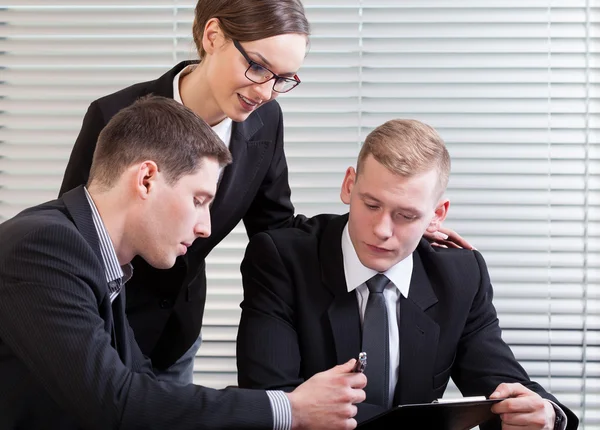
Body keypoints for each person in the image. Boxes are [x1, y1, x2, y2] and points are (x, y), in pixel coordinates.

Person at [58, 0, 470, 384]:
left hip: (175, 334)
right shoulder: (114, 116)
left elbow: (276, 228)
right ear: (213, 36)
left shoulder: (264, 122)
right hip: (103, 328)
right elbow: (77, 243)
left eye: (283, 79)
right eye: (257, 66)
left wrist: (394, 224)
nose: (265, 91)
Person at [0, 96, 367, 430]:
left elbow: (145, 383)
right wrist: (290, 409)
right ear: (146, 180)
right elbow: (117, 403)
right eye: (199, 199)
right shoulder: (44, 247)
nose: (206, 227)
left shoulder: (100, 258)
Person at [236, 119, 578, 430]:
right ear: (349, 186)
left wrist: (547, 414)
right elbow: (272, 401)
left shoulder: (460, 277)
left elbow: (504, 387)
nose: (382, 230)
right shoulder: (281, 260)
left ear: (436, 215)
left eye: (406, 216)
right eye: (371, 205)